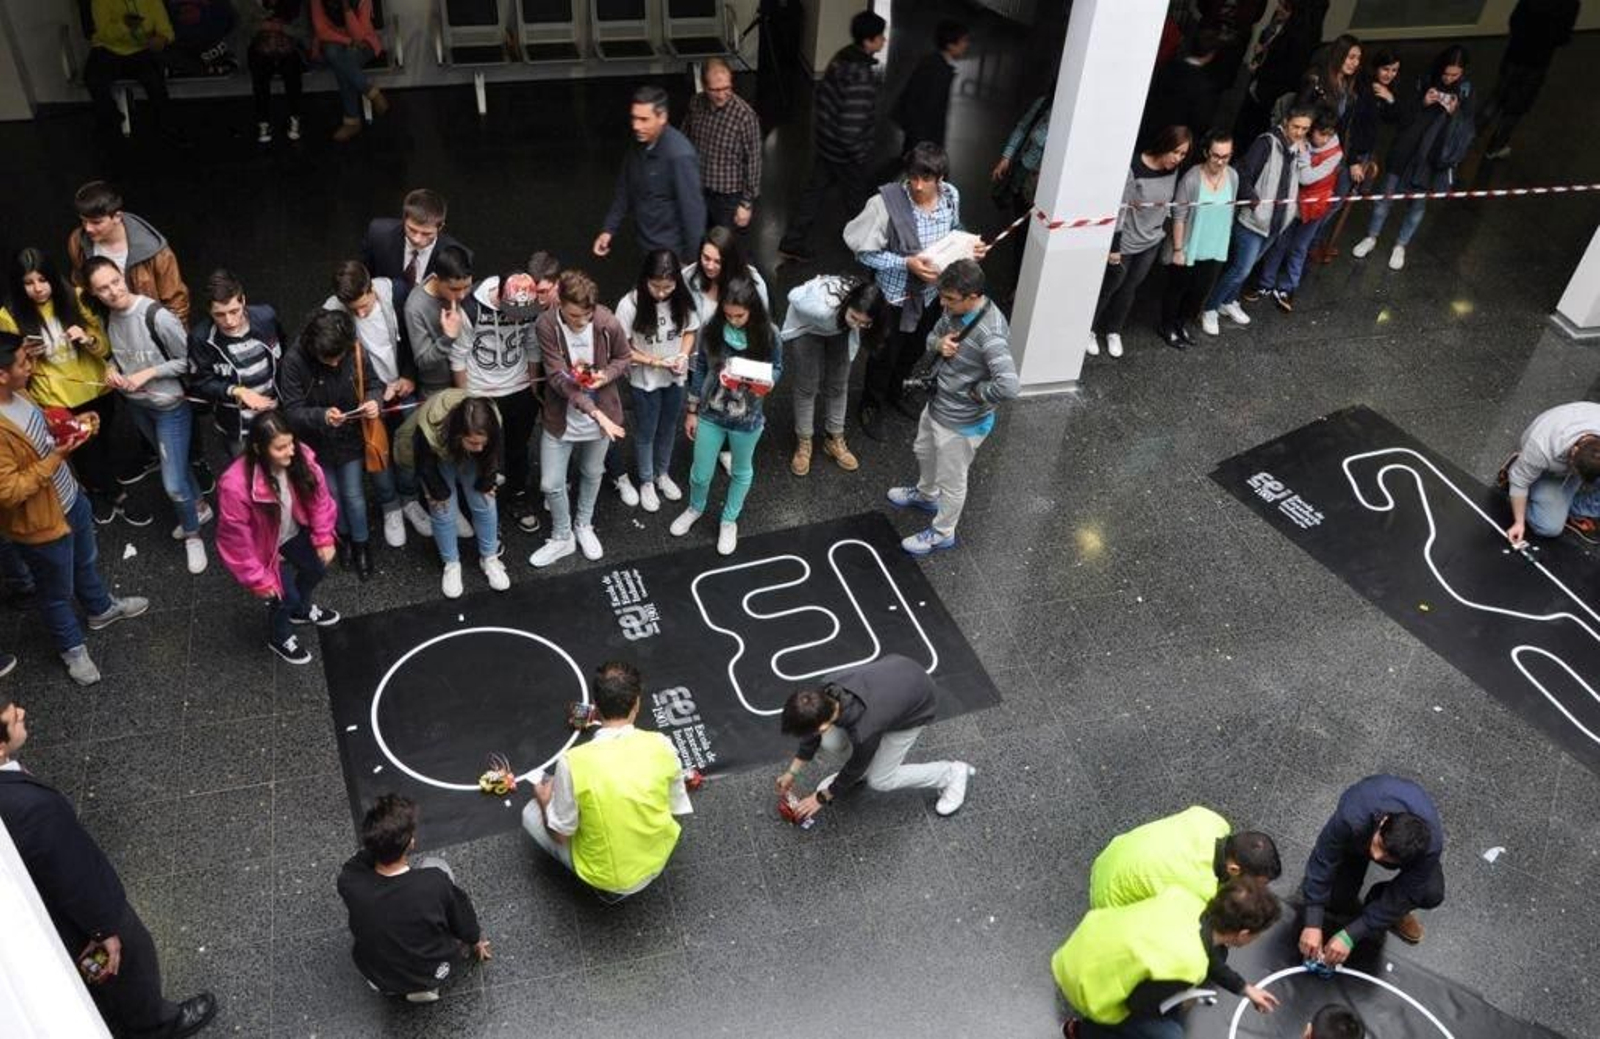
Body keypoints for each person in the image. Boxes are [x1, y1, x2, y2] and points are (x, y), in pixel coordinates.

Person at [0, 691, 217, 1036]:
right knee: (129, 968)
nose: (22, 712)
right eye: (13, 718)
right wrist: (103, 930)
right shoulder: (28, 807)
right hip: (81, 916)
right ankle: (155, 1024)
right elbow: (71, 874)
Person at [0, 332, 149, 685]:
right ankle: (72, 649)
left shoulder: (19, 393)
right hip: (40, 524)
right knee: (55, 592)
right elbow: (9, 491)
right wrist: (58, 456)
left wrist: (71, 428)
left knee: (85, 560)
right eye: (23, 362)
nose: (30, 366)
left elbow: (41, 434)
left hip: (70, 499)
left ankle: (100, 608)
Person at [845, 142, 986, 440]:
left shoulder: (951, 196)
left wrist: (969, 246)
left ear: (941, 178)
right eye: (913, 177)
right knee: (884, 353)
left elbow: (955, 229)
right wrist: (906, 263)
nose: (919, 186)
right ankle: (871, 404)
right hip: (894, 297)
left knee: (916, 348)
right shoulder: (884, 205)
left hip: (933, 294)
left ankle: (896, 392)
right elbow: (864, 253)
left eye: (927, 179)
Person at [0, 246, 149, 526]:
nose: (37, 289)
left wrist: (88, 339)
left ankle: (98, 489)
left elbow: (105, 347)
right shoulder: (9, 315)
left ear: (53, 278)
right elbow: (11, 362)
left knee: (103, 442)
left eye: (42, 280)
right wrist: (27, 355)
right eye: (28, 283)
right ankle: (114, 494)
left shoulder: (76, 298)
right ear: (18, 285)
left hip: (95, 389)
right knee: (80, 449)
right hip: (56, 396)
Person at [82, 258, 211, 575]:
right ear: (94, 294)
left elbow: (191, 361)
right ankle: (200, 508)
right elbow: (113, 355)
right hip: (138, 405)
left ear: (122, 275)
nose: (113, 292)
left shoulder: (156, 315)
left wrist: (147, 374)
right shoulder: (107, 316)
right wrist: (112, 369)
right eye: (103, 288)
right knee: (176, 466)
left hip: (169, 406)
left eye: (115, 281)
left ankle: (193, 534)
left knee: (172, 483)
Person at [522, 661, 692, 898]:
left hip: (609, 877)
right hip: (658, 857)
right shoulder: (661, 744)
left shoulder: (573, 762)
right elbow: (675, 806)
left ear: (596, 707)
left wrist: (543, 800)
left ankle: (607, 891)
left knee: (530, 814)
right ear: (637, 703)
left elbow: (560, 834)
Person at [887, 260, 1018, 556]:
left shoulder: (991, 334)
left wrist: (977, 392)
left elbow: (1009, 386)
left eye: (949, 299)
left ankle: (943, 532)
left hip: (962, 422)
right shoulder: (954, 309)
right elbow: (932, 336)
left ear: (972, 296)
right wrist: (938, 344)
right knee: (924, 451)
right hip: (938, 405)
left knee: (953, 480)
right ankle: (925, 493)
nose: (943, 304)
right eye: (942, 297)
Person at [1054, 880, 1282, 1038]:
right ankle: (1083, 1032)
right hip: (1086, 983)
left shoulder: (1186, 899)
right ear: (1243, 933)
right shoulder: (1187, 964)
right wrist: (1183, 1000)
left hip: (1081, 948)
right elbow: (1140, 1005)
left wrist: (1245, 988)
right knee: (1170, 1034)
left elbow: (1209, 952)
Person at [777, 653, 974, 820]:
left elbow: (856, 765)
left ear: (823, 724)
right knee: (831, 741)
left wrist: (822, 797)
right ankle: (865, 770)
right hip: (899, 670)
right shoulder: (823, 691)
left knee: (880, 780)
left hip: (918, 705)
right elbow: (814, 733)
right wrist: (792, 772)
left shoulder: (865, 729)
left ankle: (951, 774)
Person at [337, 794, 491, 1002]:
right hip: (432, 970)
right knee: (436, 863)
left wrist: (378, 842)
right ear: (410, 843)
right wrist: (475, 939)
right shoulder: (433, 883)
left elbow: (358, 860)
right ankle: (425, 987)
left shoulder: (350, 881)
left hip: (378, 975)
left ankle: (389, 986)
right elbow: (463, 919)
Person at [215, 411, 340, 664]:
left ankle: (301, 611)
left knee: (316, 569)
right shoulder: (235, 485)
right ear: (260, 449)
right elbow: (235, 539)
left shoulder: (300, 456)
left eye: (291, 443)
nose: (290, 451)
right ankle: (279, 635)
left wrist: (323, 537)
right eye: (280, 447)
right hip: (264, 547)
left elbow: (319, 499)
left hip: (292, 532)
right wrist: (257, 579)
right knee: (285, 596)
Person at [669, 277, 780, 556]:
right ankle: (695, 507)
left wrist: (768, 382)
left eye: (739, 316)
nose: (733, 321)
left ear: (752, 310)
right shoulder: (713, 329)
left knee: (741, 471)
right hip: (711, 412)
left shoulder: (769, 334)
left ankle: (729, 521)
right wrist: (691, 410)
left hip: (748, 417)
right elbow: (702, 367)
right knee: (700, 472)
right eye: (728, 315)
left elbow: (777, 367)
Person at [529, 270, 628, 568]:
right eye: (574, 316)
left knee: (592, 471)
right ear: (559, 301)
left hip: (601, 416)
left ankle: (583, 525)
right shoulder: (546, 324)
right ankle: (562, 536)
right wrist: (596, 413)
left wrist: (605, 376)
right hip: (565, 416)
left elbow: (623, 358)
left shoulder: (606, 323)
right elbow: (560, 380)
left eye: (586, 315)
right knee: (551, 482)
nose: (581, 322)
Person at [1351, 46, 1476, 273]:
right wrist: (1423, 102)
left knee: (1417, 206)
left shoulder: (1466, 92)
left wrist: (1455, 113)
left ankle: (1401, 245)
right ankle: (1371, 237)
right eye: (1446, 74)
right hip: (1405, 150)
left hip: (1432, 160)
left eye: (1454, 75)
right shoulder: (1424, 80)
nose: (1448, 79)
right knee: (1385, 198)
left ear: (1462, 73)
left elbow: (1466, 129)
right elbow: (1402, 116)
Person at [1298, 774, 1445, 966]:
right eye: (1379, 845)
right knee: (1336, 900)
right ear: (1383, 822)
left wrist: (1351, 935)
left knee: (1430, 892)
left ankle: (1382, 903)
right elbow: (1324, 856)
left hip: (1395, 848)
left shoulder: (1429, 848)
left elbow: (1408, 891)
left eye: (1387, 857)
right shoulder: (1353, 815)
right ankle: (1366, 898)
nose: (1376, 856)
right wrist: (1312, 921)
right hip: (1357, 841)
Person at [279, 309, 382, 581]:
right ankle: (344, 538)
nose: (336, 363)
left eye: (340, 357)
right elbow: (291, 411)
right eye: (329, 359)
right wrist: (321, 416)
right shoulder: (293, 362)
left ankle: (361, 544)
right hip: (317, 443)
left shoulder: (353, 349)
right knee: (331, 496)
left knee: (354, 496)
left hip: (350, 437)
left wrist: (374, 401)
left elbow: (373, 384)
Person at [326, 260, 424, 546]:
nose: (360, 312)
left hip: (402, 387)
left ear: (371, 289)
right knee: (376, 452)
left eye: (364, 305)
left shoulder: (397, 293)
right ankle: (390, 505)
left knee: (406, 446)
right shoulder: (332, 311)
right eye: (353, 310)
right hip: (368, 395)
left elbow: (412, 339)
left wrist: (408, 376)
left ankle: (410, 499)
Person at [777, 10, 887, 263]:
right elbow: (852, 125)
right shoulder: (861, 74)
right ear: (869, 41)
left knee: (814, 192)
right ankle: (867, 249)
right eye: (880, 37)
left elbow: (824, 100)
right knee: (858, 200)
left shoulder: (841, 58)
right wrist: (859, 154)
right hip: (846, 153)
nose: (884, 41)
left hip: (827, 145)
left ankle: (792, 241)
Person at [1203, 106, 1314, 331]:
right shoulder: (1266, 143)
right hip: (1254, 221)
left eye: (1305, 129)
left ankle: (1228, 301)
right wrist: (1255, 203)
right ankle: (1210, 308)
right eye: (1296, 127)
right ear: (1285, 122)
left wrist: (1303, 156)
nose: (1300, 133)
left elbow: (1305, 178)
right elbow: (1241, 173)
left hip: (1276, 222)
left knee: (1249, 265)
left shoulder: (1298, 149)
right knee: (1240, 269)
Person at [1090, 125, 1190, 359]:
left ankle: (1114, 330)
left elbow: (1166, 205)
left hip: (1151, 241)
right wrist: (1114, 246)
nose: (1178, 159)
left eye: (1183, 154)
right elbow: (1120, 209)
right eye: (1175, 152)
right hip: (1126, 241)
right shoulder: (1134, 167)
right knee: (1110, 287)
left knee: (1130, 288)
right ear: (1163, 145)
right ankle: (1090, 328)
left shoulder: (1173, 170)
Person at [459, 268, 542, 535]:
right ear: (499, 296)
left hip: (517, 386)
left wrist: (532, 384)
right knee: (481, 449)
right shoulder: (471, 308)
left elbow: (531, 343)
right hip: (481, 389)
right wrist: (464, 399)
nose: (517, 318)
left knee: (518, 447)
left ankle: (518, 495)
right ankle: (481, 501)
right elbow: (458, 355)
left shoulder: (530, 306)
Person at [614, 251, 698, 514]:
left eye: (668, 287)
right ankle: (647, 480)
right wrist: (655, 362)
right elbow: (623, 349)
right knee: (647, 431)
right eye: (656, 286)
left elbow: (690, 330)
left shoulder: (683, 299)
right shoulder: (630, 305)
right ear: (645, 280)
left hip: (675, 377)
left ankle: (662, 473)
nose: (661, 293)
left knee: (669, 427)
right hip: (645, 380)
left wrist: (683, 355)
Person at [779, 273, 886, 476]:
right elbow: (793, 295)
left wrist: (853, 322)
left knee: (838, 385)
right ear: (847, 304)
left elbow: (856, 323)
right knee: (807, 387)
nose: (858, 326)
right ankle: (804, 441)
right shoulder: (820, 307)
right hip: (807, 328)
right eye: (855, 318)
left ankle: (834, 437)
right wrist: (813, 286)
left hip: (838, 328)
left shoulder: (859, 314)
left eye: (865, 323)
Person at [411, 390, 508, 598]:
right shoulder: (430, 426)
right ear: (458, 434)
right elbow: (424, 463)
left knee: (485, 501)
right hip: (440, 454)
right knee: (442, 508)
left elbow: (495, 451)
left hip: (469, 455)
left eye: (483, 442)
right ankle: (451, 563)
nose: (480, 447)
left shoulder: (491, 421)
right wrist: (436, 492)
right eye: (474, 442)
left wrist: (487, 480)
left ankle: (489, 558)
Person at [594, 85, 707, 264]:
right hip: (646, 246)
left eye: (644, 119)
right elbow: (625, 189)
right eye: (634, 118)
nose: (636, 126)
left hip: (671, 254)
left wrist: (693, 264)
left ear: (662, 117)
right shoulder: (639, 144)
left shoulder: (679, 155)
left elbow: (693, 213)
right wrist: (609, 229)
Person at [1089, 806, 1282, 909]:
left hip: (1109, 859)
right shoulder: (1200, 893)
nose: (1258, 890)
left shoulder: (1209, 820)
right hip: (1108, 903)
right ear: (1233, 869)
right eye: (1256, 884)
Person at [1309, 50, 1401, 266]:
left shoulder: (1383, 91)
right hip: (1351, 154)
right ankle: (1311, 243)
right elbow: (1349, 128)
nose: (1389, 74)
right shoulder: (1362, 90)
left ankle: (1316, 241)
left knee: (1338, 202)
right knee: (1334, 202)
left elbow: (1395, 119)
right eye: (1385, 69)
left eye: (1394, 70)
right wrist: (1353, 161)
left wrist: (1391, 99)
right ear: (1375, 67)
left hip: (1364, 154)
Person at [187, 269, 285, 456]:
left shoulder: (266, 317)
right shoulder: (200, 338)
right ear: (209, 311)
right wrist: (237, 391)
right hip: (238, 428)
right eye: (220, 314)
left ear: (244, 301)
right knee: (247, 479)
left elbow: (282, 351)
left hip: (275, 415)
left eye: (234, 311)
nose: (229, 321)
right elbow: (200, 383)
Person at [1252, 108, 1343, 312]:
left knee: (1299, 248)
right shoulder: (1302, 141)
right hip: (1292, 202)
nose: (1324, 139)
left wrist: (1303, 155)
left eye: (1328, 134)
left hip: (1314, 207)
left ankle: (1287, 287)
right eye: (1321, 133)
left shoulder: (1335, 153)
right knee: (1279, 243)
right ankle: (1266, 284)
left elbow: (1306, 178)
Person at [68, 181, 190, 328]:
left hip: (147, 331)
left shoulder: (155, 251)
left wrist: (171, 339)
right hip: (107, 330)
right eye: (83, 221)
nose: (88, 228)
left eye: (96, 222)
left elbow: (176, 303)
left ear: (117, 217)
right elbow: (80, 286)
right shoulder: (78, 241)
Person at [1479, 0, 1580, 160]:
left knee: (1496, 97)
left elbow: (1514, 20)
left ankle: (1468, 139)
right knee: (1516, 107)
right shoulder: (1570, 3)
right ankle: (1495, 147)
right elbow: (1563, 37)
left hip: (1514, 53)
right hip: (1537, 62)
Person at [1162, 131, 1237, 345]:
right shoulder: (1192, 178)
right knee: (1177, 290)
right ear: (1206, 152)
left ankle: (1181, 324)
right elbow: (1179, 215)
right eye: (1216, 156)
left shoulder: (1232, 176)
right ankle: (1167, 326)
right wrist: (1178, 249)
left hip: (1215, 247)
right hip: (1189, 246)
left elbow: (1231, 209)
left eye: (1226, 156)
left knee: (1199, 292)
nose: (1221, 162)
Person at [681, 58, 764, 233]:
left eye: (726, 88)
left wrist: (746, 204)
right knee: (700, 240)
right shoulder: (696, 103)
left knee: (726, 248)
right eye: (715, 90)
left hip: (729, 198)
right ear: (703, 85)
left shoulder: (745, 117)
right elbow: (685, 139)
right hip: (700, 188)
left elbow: (754, 162)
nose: (721, 95)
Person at [1499, 401, 1600, 544]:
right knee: (1549, 527)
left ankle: (1574, 510)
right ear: (1575, 451)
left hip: (1576, 461)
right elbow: (1520, 483)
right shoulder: (1541, 446)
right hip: (1549, 468)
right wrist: (1518, 523)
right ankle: (1516, 467)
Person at [80, 0, 179, 141]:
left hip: (140, 49)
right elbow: (103, 32)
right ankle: (111, 121)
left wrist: (161, 39)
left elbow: (166, 30)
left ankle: (166, 125)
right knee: (94, 79)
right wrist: (125, 26)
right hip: (107, 49)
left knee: (154, 80)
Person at [1234, 0, 1332, 142]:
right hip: (1277, 91)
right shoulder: (1309, 29)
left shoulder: (1297, 32)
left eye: (1285, 7)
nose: (1279, 9)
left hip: (1269, 91)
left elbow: (1280, 64)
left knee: (1251, 129)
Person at [361, 188, 472, 308]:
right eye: (412, 230)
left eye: (426, 234)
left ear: (440, 227)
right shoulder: (378, 234)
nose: (417, 239)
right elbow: (365, 274)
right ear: (404, 220)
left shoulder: (457, 255)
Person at [990, 88, 1054, 290]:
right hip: (1025, 179)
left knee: (1039, 239)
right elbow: (1023, 128)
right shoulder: (1044, 104)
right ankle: (1017, 285)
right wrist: (1007, 156)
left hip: (1051, 189)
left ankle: (1030, 286)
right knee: (1023, 235)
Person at [310, 0, 389, 142]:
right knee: (333, 53)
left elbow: (359, 36)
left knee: (342, 60)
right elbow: (321, 31)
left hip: (365, 44)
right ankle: (371, 92)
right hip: (335, 42)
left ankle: (352, 120)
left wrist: (346, 7)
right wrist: (348, 42)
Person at [403, 244, 474, 397]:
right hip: (438, 389)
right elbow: (422, 362)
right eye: (454, 289)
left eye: (467, 287)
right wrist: (447, 338)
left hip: (473, 376)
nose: (462, 295)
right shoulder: (415, 306)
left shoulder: (465, 292)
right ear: (436, 279)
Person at [891, 20, 970, 153]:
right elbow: (928, 114)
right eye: (964, 41)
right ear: (951, 45)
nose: (966, 45)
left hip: (919, 141)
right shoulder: (938, 71)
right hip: (922, 144)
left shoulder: (933, 63)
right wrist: (927, 150)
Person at [1139, 26, 1224, 148]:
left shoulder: (1168, 67)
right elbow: (1201, 122)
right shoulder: (1205, 86)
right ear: (1211, 55)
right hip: (1174, 141)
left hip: (1149, 129)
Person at [244, 0, 307, 144]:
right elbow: (244, 27)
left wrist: (281, 28)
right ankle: (263, 121)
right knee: (259, 70)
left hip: (288, 45)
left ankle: (294, 116)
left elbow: (303, 30)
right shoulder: (253, 3)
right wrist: (262, 26)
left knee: (292, 68)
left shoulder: (296, 5)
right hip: (261, 46)